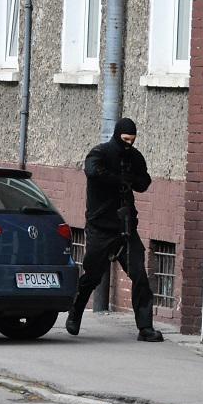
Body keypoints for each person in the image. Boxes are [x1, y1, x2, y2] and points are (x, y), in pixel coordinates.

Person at [65, 118, 164, 342]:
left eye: (132, 140)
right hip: (100, 227)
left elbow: (144, 182)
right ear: (118, 135)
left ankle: (145, 327)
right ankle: (75, 313)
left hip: (125, 228)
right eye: (125, 139)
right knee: (92, 276)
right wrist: (118, 179)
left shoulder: (134, 157)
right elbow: (92, 171)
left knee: (139, 276)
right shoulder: (100, 153)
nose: (128, 144)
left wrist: (132, 180)